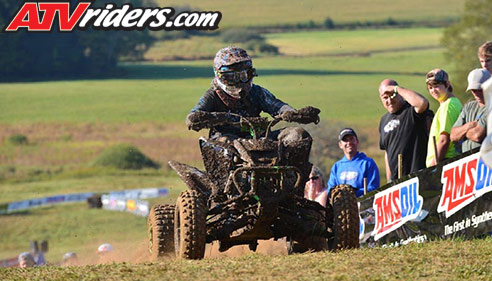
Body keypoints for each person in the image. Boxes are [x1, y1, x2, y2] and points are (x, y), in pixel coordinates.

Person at [186, 46, 317, 183]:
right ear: (219, 76)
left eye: (243, 76)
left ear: (251, 74)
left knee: (298, 134)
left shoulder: (257, 92)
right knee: (222, 143)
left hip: (260, 138)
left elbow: (276, 105)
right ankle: (224, 186)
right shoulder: (212, 96)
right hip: (228, 139)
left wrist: (293, 114)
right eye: (232, 77)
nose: (239, 82)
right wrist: (210, 117)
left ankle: (294, 181)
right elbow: (192, 118)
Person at [378, 79, 430, 181]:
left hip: (418, 174)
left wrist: (395, 88)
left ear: (399, 93)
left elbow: (422, 103)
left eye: (392, 95)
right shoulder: (383, 120)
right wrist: (390, 180)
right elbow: (387, 152)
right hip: (397, 181)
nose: (389, 101)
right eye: (385, 97)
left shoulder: (411, 110)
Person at [327, 128, 380, 197]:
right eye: (345, 140)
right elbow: (330, 191)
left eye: (351, 139)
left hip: (364, 206)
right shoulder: (337, 167)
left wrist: (353, 193)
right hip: (342, 206)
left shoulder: (367, 163)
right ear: (340, 145)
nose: (349, 143)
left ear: (357, 141)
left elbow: (374, 188)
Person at [425, 69, 462, 167]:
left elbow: (444, 140)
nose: (433, 90)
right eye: (430, 87)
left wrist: (433, 167)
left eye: (436, 86)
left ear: (447, 84)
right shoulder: (449, 104)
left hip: (444, 161)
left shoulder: (448, 105)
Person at [451, 69, 491, 152]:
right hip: (468, 161)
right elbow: (453, 135)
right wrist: (469, 126)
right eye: (473, 90)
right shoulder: (469, 106)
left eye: (479, 90)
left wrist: (462, 133)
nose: (476, 93)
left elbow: (477, 135)